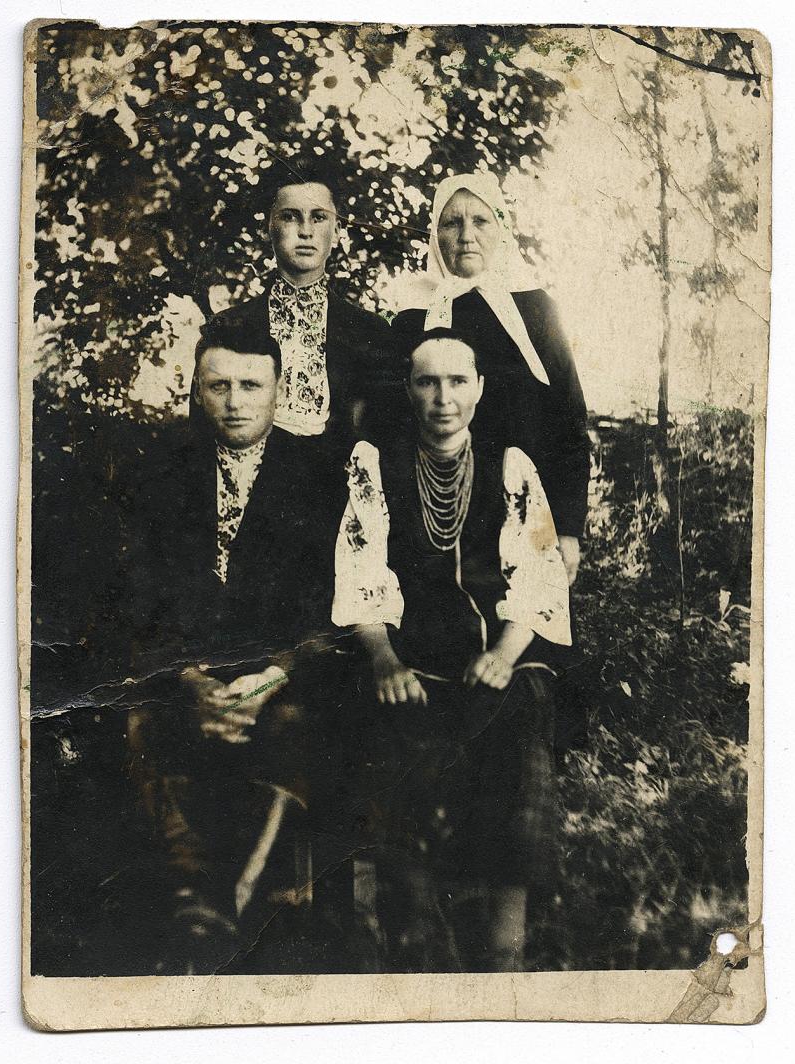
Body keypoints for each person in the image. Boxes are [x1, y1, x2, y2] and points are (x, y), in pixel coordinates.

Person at [330, 328, 571, 973]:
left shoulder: (511, 465)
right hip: (410, 653)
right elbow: (359, 566)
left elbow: (542, 568)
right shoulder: (374, 465)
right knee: (387, 735)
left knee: (517, 725)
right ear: (409, 391)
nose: (443, 398)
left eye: (457, 381)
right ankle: (414, 931)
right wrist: (382, 657)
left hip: (499, 651)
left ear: (479, 388)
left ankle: (505, 945)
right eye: (427, 382)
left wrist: (508, 652)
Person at [124, 302, 340, 973]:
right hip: (187, 675)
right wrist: (191, 682)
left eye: (251, 386)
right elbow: (137, 602)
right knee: (142, 723)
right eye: (219, 386)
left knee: (295, 726)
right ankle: (195, 902)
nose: (236, 401)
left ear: (278, 390)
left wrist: (269, 676)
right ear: (196, 388)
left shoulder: (320, 476)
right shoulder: (161, 473)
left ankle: (223, 907)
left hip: (287, 673)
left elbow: (335, 607)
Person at [390, 171, 590, 586]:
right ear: (434, 233)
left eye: (480, 221)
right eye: (452, 222)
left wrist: (569, 528)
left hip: (528, 517)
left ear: (501, 230)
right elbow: (392, 428)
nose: (466, 236)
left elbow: (569, 424)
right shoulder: (411, 321)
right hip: (435, 518)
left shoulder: (537, 312)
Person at [191, 157, 395, 454]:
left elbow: (387, 436)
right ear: (268, 228)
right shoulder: (226, 327)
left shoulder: (370, 331)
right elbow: (201, 438)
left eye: (319, 217)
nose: (305, 231)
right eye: (290, 216)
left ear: (337, 231)